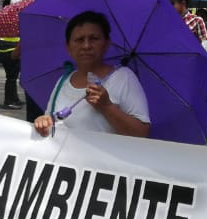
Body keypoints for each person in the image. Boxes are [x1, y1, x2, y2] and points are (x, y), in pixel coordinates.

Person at [34, 10, 150, 139]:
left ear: (106, 43)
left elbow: (141, 133)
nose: (86, 45)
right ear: (68, 46)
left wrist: (107, 107)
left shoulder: (124, 78)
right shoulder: (63, 81)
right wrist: (43, 121)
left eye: (94, 39)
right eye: (79, 40)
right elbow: (51, 119)